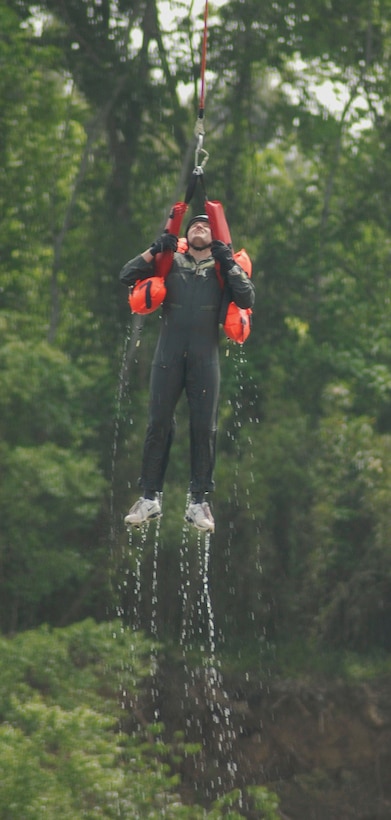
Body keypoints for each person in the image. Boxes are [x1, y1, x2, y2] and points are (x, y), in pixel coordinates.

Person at [119, 214, 255, 532]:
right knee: (158, 424)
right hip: (167, 356)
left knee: (204, 428)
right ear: (185, 235)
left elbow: (247, 297)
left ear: (215, 235)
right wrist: (154, 250)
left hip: (204, 360)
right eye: (193, 224)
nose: (198, 227)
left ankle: (199, 502)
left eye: (206, 225)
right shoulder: (170, 261)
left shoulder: (223, 268)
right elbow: (126, 275)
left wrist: (227, 260)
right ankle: (149, 498)